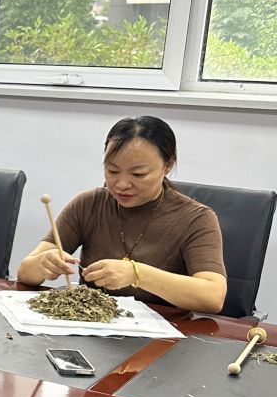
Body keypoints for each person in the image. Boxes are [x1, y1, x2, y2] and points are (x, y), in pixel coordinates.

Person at [16, 116, 226, 313]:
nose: (122, 184)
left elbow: (213, 296)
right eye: (112, 171)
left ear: (168, 166)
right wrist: (44, 264)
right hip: (91, 326)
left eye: (138, 174)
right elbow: (25, 273)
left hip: (164, 332)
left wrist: (136, 274)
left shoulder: (196, 219)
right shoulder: (89, 204)